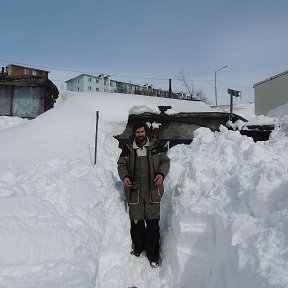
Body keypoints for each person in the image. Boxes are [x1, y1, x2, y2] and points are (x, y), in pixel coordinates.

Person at [117, 121, 170, 268]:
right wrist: (125, 177)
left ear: (145, 132)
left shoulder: (155, 145)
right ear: (134, 133)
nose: (140, 134)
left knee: (152, 224)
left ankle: (153, 254)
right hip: (135, 191)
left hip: (153, 190)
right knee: (137, 223)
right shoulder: (128, 148)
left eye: (142, 132)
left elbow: (165, 162)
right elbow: (121, 165)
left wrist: (161, 174)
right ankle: (139, 248)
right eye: (137, 132)